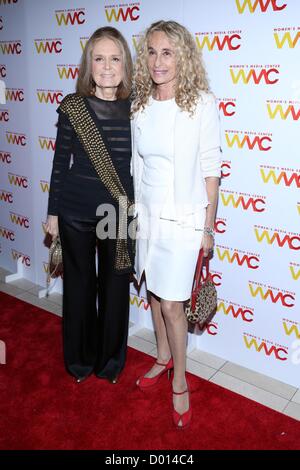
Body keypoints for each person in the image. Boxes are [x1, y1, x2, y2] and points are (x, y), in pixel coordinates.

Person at [131, 20, 221, 428]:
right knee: (153, 291)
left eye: (166, 52)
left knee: (172, 303)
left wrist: (207, 227)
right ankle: (162, 358)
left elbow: (210, 170)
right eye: (151, 51)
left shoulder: (202, 103)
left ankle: (180, 380)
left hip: (184, 217)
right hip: (147, 215)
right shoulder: (140, 104)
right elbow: (137, 165)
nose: (157, 60)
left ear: (182, 56)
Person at [45, 27, 134, 384]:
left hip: (117, 211)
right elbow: (59, 161)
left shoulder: (139, 107)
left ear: (125, 64)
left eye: (115, 58)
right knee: (80, 288)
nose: (107, 66)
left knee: (115, 288)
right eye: (99, 58)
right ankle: (80, 361)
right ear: (88, 64)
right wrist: (52, 213)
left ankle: (110, 362)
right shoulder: (73, 106)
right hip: (76, 211)